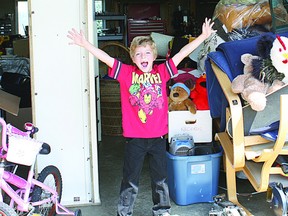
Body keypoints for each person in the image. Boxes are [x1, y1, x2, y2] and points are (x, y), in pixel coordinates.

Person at [67, 18, 216, 216]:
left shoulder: (162, 72)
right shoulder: (126, 73)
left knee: (160, 179)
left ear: (154, 56)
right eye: (138, 54)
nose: (143, 56)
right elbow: (106, 59)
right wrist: (85, 44)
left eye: (147, 52)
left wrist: (203, 37)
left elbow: (182, 53)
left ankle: (162, 210)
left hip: (158, 138)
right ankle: (125, 212)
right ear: (133, 58)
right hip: (134, 139)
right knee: (130, 179)